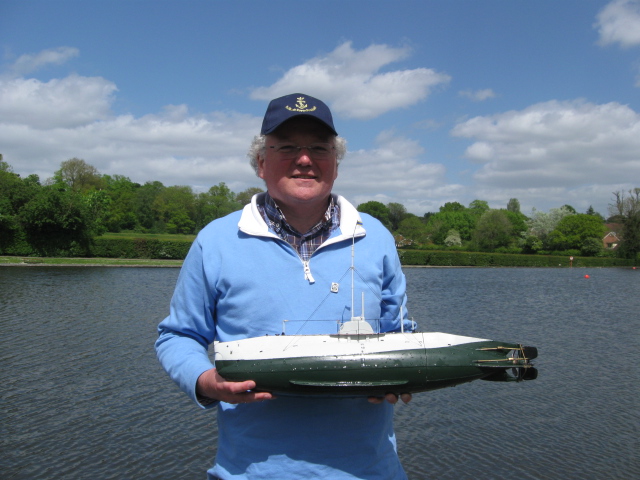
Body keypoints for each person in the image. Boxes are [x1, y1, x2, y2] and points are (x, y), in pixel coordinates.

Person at [155, 93, 414, 479]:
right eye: (288, 147)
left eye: (319, 148)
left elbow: (399, 335)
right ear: (261, 162)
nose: (305, 159)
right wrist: (206, 381)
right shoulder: (216, 240)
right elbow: (177, 336)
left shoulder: (374, 236)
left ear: (336, 163)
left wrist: (405, 376)